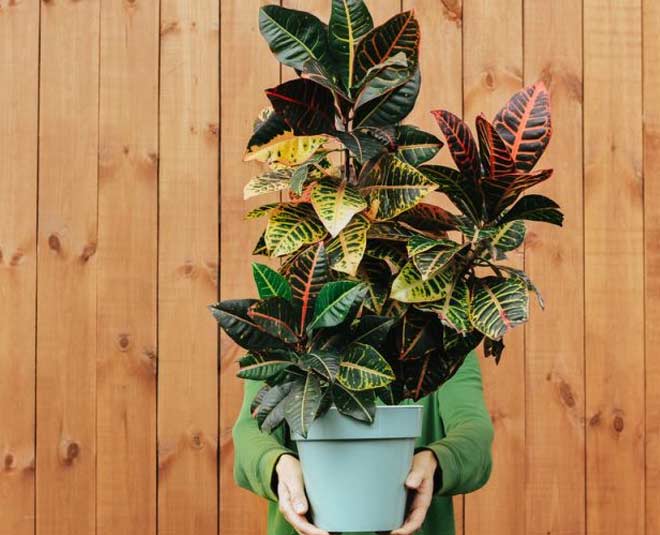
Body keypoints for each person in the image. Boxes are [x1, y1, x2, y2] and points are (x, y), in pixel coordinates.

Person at [232, 349, 494, 535]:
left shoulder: (443, 342)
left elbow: (474, 431)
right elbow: (251, 430)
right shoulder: (285, 337)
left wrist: (436, 461)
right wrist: (277, 463)